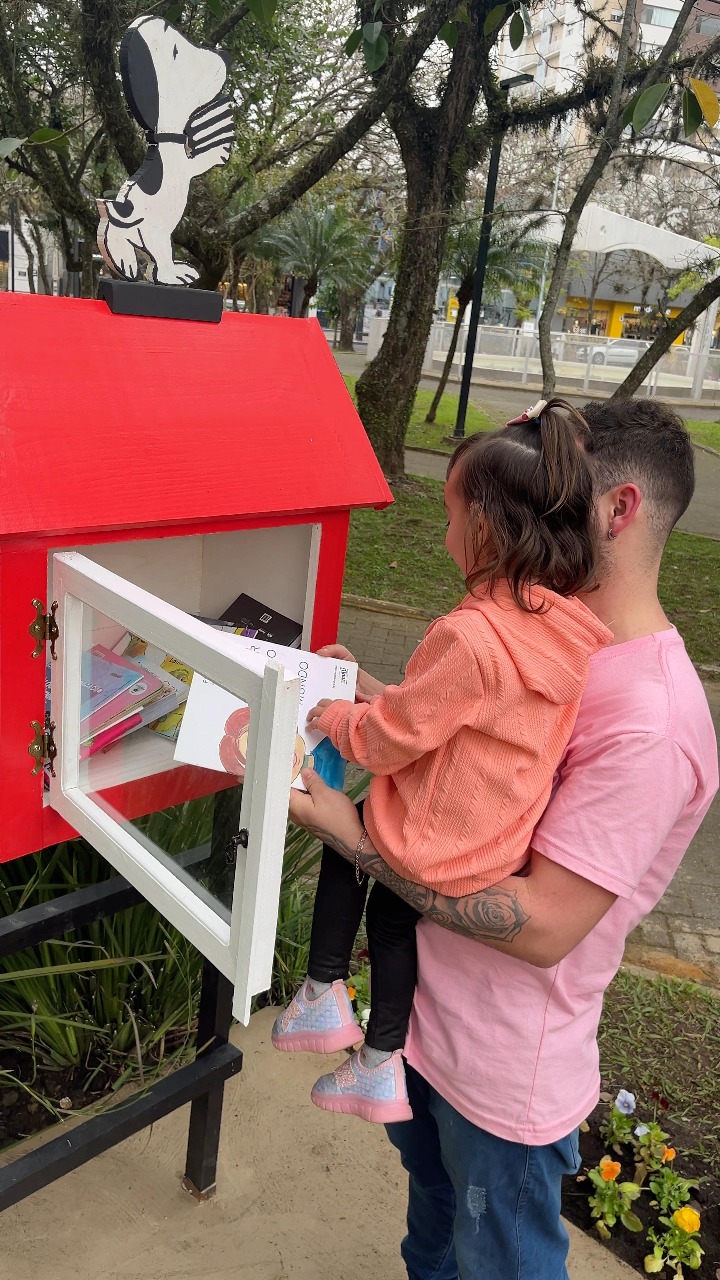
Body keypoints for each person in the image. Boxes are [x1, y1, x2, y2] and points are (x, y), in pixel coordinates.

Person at [287, 397, 718, 1280]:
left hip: (501, 1081)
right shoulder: (554, 637)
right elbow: (469, 741)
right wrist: (369, 691)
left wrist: (356, 837)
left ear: (618, 509)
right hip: (424, 1032)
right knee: (432, 1250)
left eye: (548, 490)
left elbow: (545, 924)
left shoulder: (650, 723)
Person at [272, 399, 611, 1121]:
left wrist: (336, 714)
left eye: (451, 517)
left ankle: (322, 992)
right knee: (393, 925)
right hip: (486, 843)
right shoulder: (568, 629)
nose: (445, 532)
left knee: (346, 841)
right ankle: (380, 1060)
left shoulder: (471, 635)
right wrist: (369, 686)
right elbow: (456, 717)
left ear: (482, 528)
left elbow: (389, 738)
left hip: (427, 837)